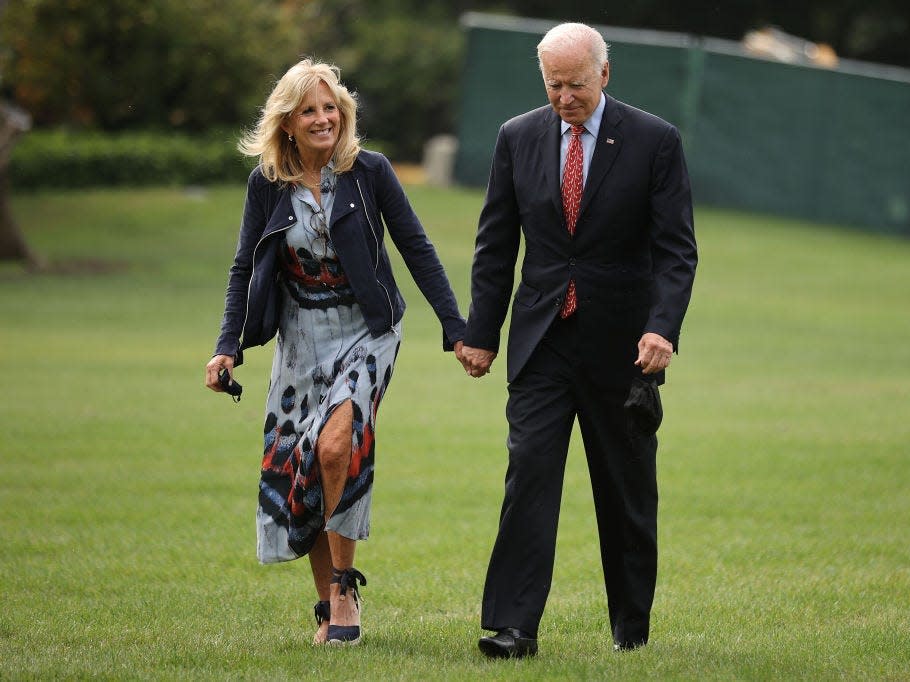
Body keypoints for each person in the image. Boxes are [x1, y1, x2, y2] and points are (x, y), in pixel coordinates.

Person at [205, 59, 465, 646]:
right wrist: (228, 347)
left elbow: (417, 248)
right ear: (288, 123)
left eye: (330, 108)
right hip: (299, 337)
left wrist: (456, 327)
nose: (323, 118)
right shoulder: (265, 185)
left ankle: (346, 585)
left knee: (335, 444)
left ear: (342, 114)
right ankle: (327, 604)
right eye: (309, 110)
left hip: (368, 330)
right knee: (303, 466)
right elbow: (243, 265)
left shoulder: (369, 172)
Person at [459, 23, 698, 658]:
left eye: (578, 85)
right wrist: (482, 333)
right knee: (529, 476)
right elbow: (496, 243)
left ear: (605, 75)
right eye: (554, 85)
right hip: (542, 340)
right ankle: (513, 627)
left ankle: (631, 626)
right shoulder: (517, 137)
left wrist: (662, 328)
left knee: (624, 488)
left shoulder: (655, 142)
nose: (565, 97)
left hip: (623, 347)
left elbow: (677, 252)